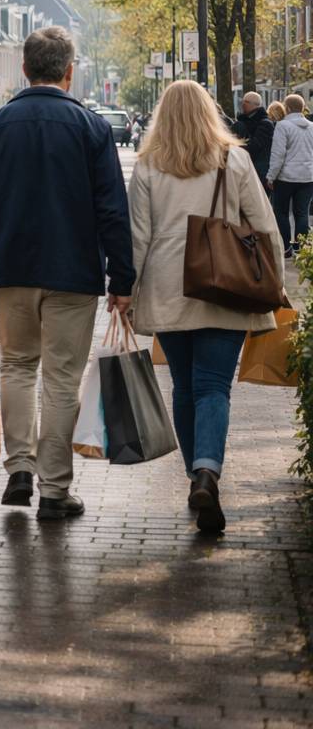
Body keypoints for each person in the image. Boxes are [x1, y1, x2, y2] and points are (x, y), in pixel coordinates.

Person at [0, 26, 134, 521]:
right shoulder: (92, 128)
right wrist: (123, 280)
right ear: (69, 72)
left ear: (26, 69)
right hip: (74, 272)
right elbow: (113, 210)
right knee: (60, 377)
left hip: (11, 268)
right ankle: (55, 489)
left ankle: (19, 469)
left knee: (17, 367)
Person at [129, 80, 281, 534]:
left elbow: (137, 237)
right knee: (214, 386)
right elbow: (265, 224)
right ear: (209, 113)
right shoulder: (233, 160)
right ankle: (207, 472)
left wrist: (125, 290)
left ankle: (195, 476)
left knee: (183, 386)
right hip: (226, 285)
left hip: (168, 285)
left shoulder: (149, 166)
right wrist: (272, 281)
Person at [266, 93, 313, 258]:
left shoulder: (283, 126)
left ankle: (286, 249)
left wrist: (271, 176)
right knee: (302, 213)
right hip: (307, 177)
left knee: (282, 213)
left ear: (286, 108)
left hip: (285, 177)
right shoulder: (312, 126)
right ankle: (302, 250)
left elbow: (278, 155)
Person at [232, 91, 275, 187]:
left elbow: (255, 146)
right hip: (245, 168)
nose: (243, 104)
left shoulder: (265, 123)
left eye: (246, 102)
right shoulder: (242, 122)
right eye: (243, 101)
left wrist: (237, 147)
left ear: (255, 105)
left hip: (259, 171)